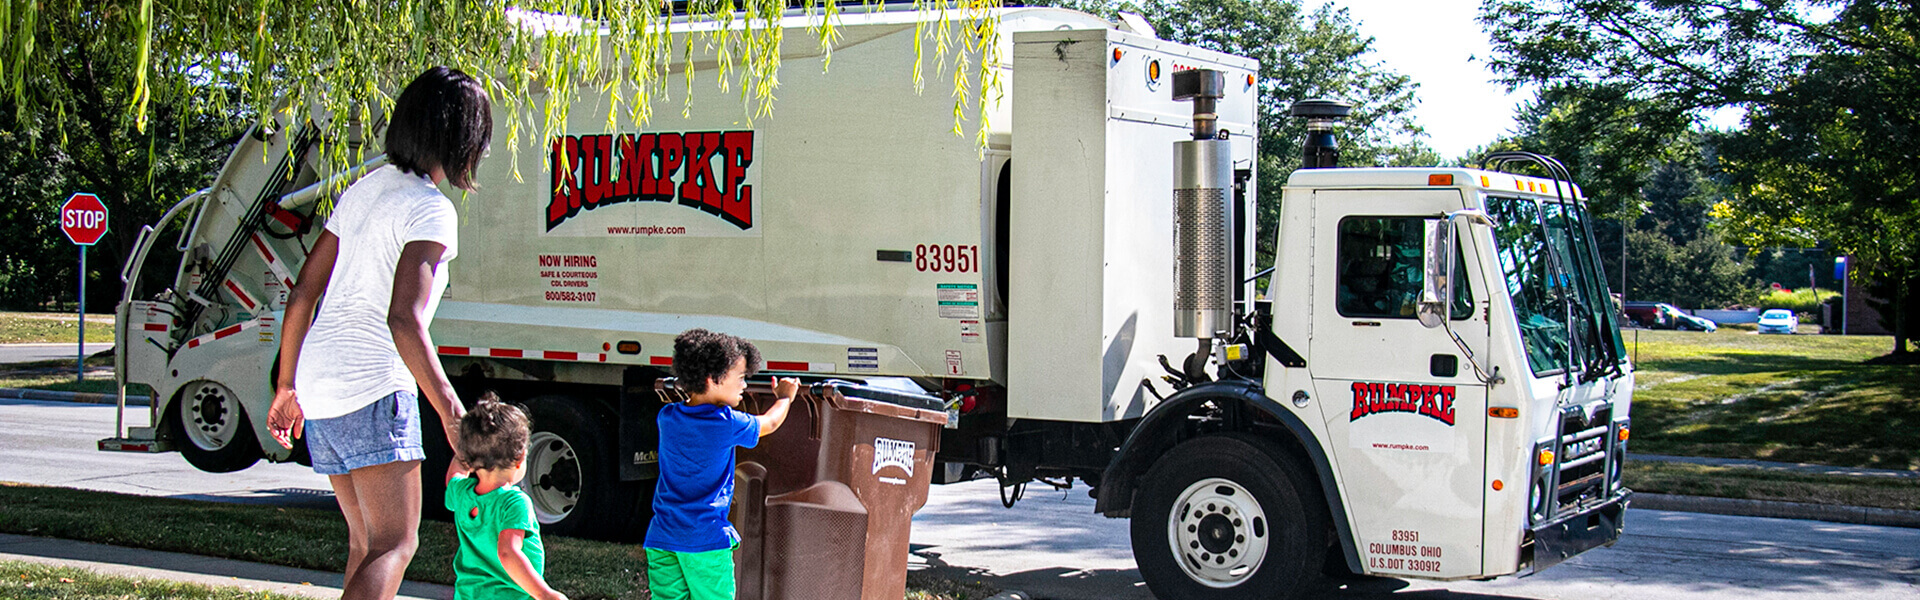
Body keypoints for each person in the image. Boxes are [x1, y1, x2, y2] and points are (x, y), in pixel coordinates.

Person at [266, 65, 492, 600]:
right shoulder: (430, 210)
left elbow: (301, 294)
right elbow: (404, 319)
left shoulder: (363, 191)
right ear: (462, 138)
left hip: (320, 384)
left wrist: (287, 385)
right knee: (395, 543)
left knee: (365, 542)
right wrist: (451, 413)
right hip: (371, 384)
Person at [645, 329, 799, 600]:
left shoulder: (667, 417)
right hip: (705, 540)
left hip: (661, 537)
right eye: (740, 378)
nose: (745, 386)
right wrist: (784, 397)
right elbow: (770, 423)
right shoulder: (725, 423)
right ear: (712, 380)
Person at [446, 393, 566, 600]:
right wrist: (544, 594)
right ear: (520, 458)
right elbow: (508, 553)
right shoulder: (514, 503)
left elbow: (454, 475)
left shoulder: (462, 493)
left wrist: (468, 452)